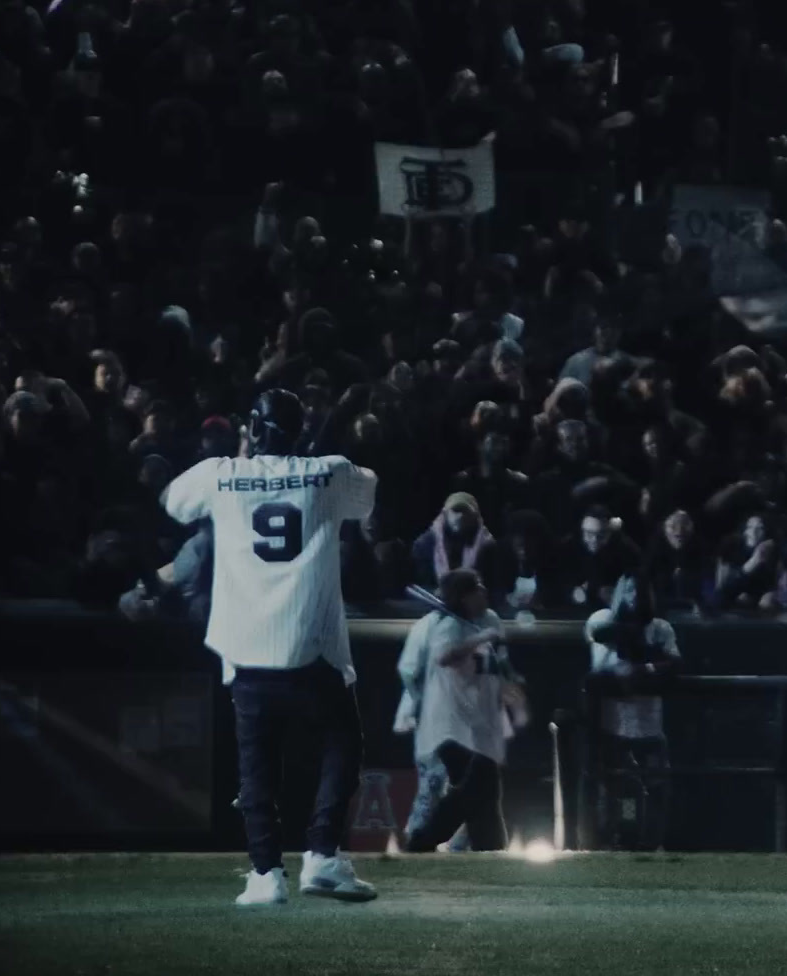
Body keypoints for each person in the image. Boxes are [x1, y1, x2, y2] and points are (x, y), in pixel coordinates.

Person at [160, 388, 377, 906]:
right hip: (311, 645)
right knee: (342, 746)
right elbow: (368, 491)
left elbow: (172, 500)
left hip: (249, 646)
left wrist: (241, 466)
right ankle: (321, 856)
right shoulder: (331, 471)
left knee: (257, 765)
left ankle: (266, 873)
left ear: (252, 430)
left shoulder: (219, 474)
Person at [393, 569, 526, 854]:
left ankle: (487, 847)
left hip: (481, 718)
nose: (484, 591)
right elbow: (444, 657)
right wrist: (479, 639)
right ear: (463, 596)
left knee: (484, 788)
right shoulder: (444, 625)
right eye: (477, 588)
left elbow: (497, 661)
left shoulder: (488, 619)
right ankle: (424, 839)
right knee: (475, 785)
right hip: (449, 721)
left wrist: (511, 679)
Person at [585, 573, 681, 850]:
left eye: (640, 592)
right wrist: (643, 667)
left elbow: (673, 667)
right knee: (624, 793)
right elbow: (610, 665)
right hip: (614, 727)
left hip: (650, 725)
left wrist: (645, 670)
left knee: (658, 789)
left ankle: (652, 844)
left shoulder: (661, 628)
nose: (634, 598)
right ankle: (624, 842)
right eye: (628, 591)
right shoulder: (601, 619)